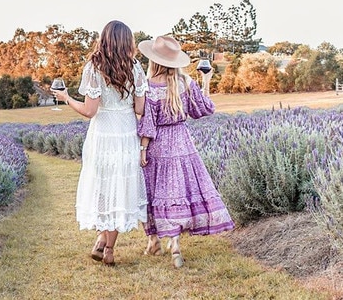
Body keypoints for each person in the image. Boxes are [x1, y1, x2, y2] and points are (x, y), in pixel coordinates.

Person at [51, 20, 149, 266]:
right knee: (120, 188)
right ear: (128, 42)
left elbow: (89, 111)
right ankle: (108, 248)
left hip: (102, 135)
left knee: (104, 188)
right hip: (126, 133)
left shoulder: (93, 67)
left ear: (104, 39)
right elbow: (139, 108)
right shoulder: (136, 67)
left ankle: (102, 240)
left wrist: (66, 98)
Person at [136, 35, 235, 269]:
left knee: (156, 192)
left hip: (159, 144)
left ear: (154, 60)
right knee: (180, 189)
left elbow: (148, 124)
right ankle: (175, 247)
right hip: (182, 142)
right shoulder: (186, 82)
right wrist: (206, 80)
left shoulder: (149, 87)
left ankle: (157, 241)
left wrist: (143, 149)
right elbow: (205, 108)